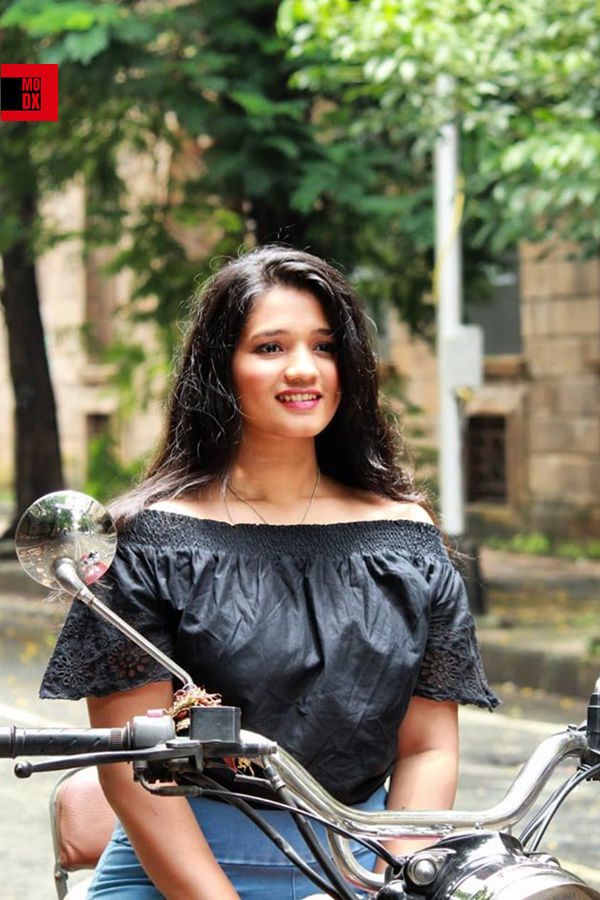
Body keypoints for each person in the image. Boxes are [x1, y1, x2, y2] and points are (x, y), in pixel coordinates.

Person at [40, 245, 499, 900]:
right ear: (221, 368)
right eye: (271, 348)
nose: (305, 369)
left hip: (364, 866)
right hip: (179, 868)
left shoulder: (409, 539)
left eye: (324, 346)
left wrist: (388, 881)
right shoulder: (150, 540)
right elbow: (129, 761)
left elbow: (427, 748)